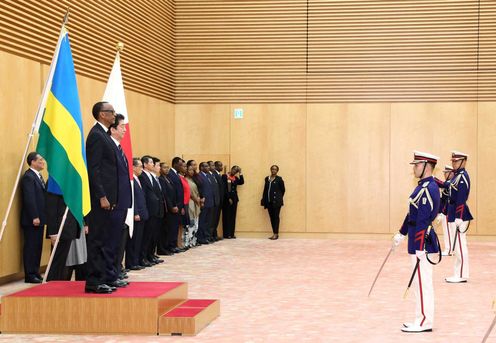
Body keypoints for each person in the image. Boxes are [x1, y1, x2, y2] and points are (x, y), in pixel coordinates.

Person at [393, 151, 440, 333]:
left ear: (427, 166)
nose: (414, 168)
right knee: (421, 284)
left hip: (423, 244)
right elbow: (412, 214)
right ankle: (420, 319)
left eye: (417, 165)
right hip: (418, 242)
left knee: (423, 284)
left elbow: (422, 220)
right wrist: (402, 233)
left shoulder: (429, 188)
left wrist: (419, 247)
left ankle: (424, 322)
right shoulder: (423, 187)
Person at [85, 101, 119, 293]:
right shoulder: (96, 136)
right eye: (111, 112)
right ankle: (93, 282)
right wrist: (102, 196)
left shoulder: (104, 135)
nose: (114, 115)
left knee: (105, 239)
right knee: (97, 239)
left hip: (109, 199)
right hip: (101, 200)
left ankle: (104, 277)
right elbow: (94, 170)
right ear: (101, 114)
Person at [109, 114, 132, 283]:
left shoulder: (119, 148)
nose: (125, 129)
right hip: (113, 202)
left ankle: (116, 271)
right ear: (113, 129)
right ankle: (111, 274)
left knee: (117, 241)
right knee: (110, 242)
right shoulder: (109, 146)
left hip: (122, 202)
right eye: (122, 126)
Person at [445, 151, 473, 283]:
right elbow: (449, 187)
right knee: (457, 247)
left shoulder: (462, 177)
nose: (453, 163)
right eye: (453, 161)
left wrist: (459, 216)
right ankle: (457, 273)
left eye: (456, 161)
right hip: (453, 213)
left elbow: (461, 198)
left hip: (459, 215)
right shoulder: (456, 176)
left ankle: (462, 274)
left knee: (460, 245)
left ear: (464, 162)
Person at [20, 152, 47, 283]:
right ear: (32, 162)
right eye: (40, 160)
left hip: (40, 219)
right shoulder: (28, 177)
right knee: (31, 247)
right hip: (32, 220)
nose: (43, 162)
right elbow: (29, 198)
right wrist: (35, 216)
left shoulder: (39, 176)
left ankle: (35, 272)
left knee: (37, 247)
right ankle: (29, 275)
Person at [45, 190, 82, 281]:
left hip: (68, 227)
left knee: (62, 263)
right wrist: (53, 232)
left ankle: (58, 284)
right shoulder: (55, 181)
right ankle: (51, 285)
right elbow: (51, 208)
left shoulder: (68, 182)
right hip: (60, 228)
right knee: (57, 261)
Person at [139, 155, 165, 266]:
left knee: (153, 235)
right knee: (147, 236)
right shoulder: (142, 176)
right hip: (149, 209)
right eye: (151, 163)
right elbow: (144, 194)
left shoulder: (152, 176)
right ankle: (143, 257)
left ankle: (150, 255)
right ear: (145, 164)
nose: (153, 165)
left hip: (157, 209)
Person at [125, 158, 148, 270]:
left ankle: (136, 260)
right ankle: (131, 263)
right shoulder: (131, 181)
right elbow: (133, 199)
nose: (142, 169)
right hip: (136, 215)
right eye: (140, 166)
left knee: (139, 240)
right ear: (133, 167)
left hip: (143, 213)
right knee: (134, 241)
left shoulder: (138, 180)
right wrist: (136, 213)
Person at [261, 165, 285, 240]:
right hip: (269, 202)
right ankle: (274, 233)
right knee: (271, 218)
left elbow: (283, 190)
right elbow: (265, 190)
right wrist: (264, 199)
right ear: (270, 170)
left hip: (276, 202)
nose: (273, 170)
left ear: (277, 171)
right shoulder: (267, 179)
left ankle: (276, 234)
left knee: (276, 217)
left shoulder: (279, 179)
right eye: (272, 169)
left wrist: (278, 198)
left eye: (275, 169)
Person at [434, 165, 454, 256]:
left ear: (451, 173)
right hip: (443, 211)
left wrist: (433, 178)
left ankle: (449, 250)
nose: (445, 174)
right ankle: (449, 248)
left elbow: (443, 184)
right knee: (447, 231)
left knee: (448, 232)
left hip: (447, 211)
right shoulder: (448, 182)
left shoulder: (451, 183)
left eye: (446, 173)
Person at [167, 157, 186, 252]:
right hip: (174, 205)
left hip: (179, 205)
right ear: (174, 164)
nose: (182, 166)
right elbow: (172, 192)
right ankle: (171, 246)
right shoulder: (170, 174)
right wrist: (175, 205)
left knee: (175, 227)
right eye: (180, 164)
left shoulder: (176, 174)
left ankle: (174, 245)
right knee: (172, 227)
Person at [222, 165, 244, 239]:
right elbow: (224, 188)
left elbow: (242, 182)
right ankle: (226, 234)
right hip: (227, 199)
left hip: (234, 199)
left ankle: (232, 233)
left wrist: (240, 173)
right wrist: (228, 198)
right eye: (234, 170)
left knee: (233, 216)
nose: (234, 172)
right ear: (231, 169)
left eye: (236, 171)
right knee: (227, 216)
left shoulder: (236, 178)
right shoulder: (225, 176)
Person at [197, 162, 214, 244]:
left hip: (210, 202)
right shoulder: (199, 176)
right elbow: (200, 189)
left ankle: (206, 236)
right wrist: (201, 199)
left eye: (208, 166)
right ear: (201, 168)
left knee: (207, 221)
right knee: (202, 221)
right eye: (206, 166)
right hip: (204, 202)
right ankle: (201, 238)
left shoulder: (208, 176)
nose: (208, 168)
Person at [186, 164, 201, 247]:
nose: (192, 171)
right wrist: (196, 199)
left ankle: (193, 241)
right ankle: (188, 242)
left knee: (196, 224)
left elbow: (197, 191)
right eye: (189, 170)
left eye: (192, 170)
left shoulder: (193, 179)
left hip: (196, 203)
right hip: (191, 202)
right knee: (191, 223)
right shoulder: (185, 180)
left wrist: (198, 198)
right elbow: (190, 193)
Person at [213, 161, 225, 239]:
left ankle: (214, 234)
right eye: (220, 166)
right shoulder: (214, 174)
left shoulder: (218, 174)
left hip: (220, 200)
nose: (222, 167)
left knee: (216, 218)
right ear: (216, 166)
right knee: (214, 219)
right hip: (216, 200)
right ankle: (213, 235)